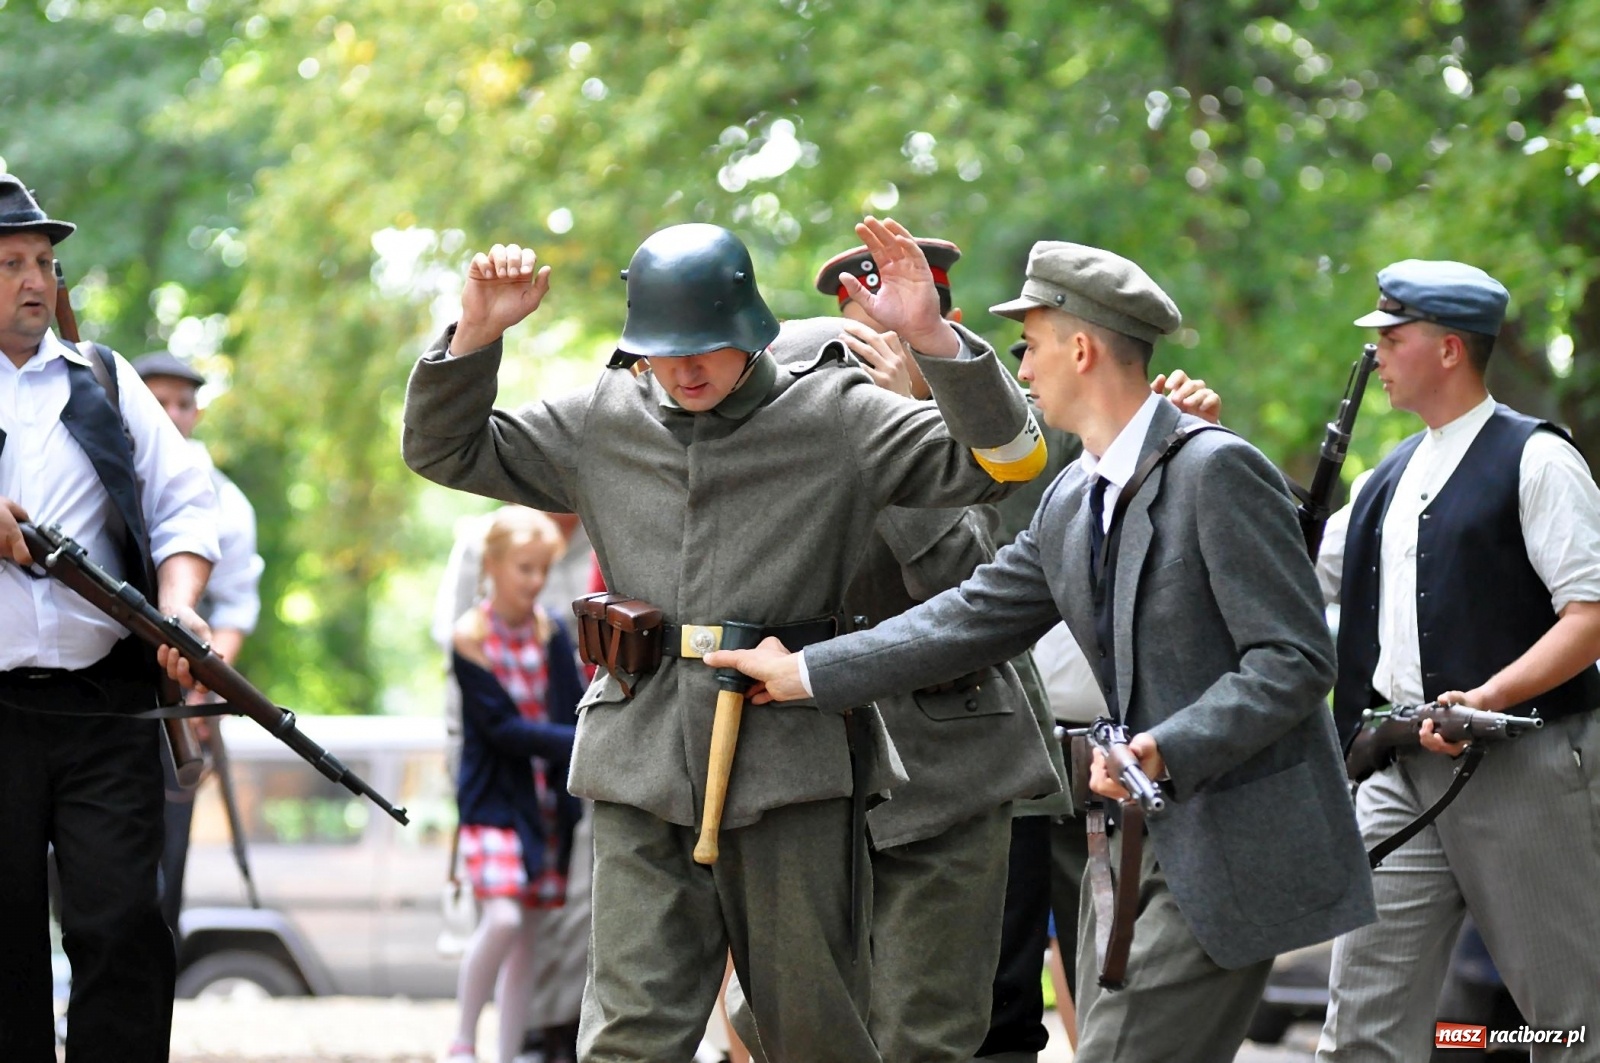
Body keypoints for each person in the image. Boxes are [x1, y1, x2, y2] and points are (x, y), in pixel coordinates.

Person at [706, 238, 1375, 1063]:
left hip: (1230, 843)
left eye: (1028, 345)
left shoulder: (1217, 469)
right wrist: (807, 672)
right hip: (1133, 846)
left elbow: (1295, 659)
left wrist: (1165, 747)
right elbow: (969, 616)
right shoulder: (1074, 495)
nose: (1019, 367)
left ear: (1081, 349)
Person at [402, 216, 1046, 1063]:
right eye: (665, 351)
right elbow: (441, 447)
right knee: (628, 1033)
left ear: (750, 328)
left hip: (789, 764)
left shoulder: (836, 415)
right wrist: (476, 334)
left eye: (705, 346)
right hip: (639, 755)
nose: (687, 368)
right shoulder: (602, 417)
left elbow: (1009, 457)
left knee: (808, 1030)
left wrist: (932, 339)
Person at [1313, 261, 1600, 1062]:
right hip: (1399, 770)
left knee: (1570, 1022)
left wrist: (1488, 695)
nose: (1376, 354)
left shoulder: (1539, 460)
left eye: (1392, 337)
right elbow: (1288, 571)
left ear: (1448, 349)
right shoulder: (1386, 477)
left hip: (1526, 767)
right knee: (1359, 1030)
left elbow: (1591, 616)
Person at [0, 174, 219, 1063]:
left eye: (44, 262)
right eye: (12, 263)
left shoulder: (104, 377)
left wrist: (179, 605)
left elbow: (184, 505)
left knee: (124, 923)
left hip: (105, 706)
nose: (35, 280)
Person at [444, 506, 584, 1063]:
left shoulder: (551, 631)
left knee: (528, 938)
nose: (535, 581)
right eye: (525, 568)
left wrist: (577, 740)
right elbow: (500, 728)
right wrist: (576, 743)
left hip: (545, 803)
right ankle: (462, 1039)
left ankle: (505, 1053)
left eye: (542, 570)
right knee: (501, 919)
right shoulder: (470, 636)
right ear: (494, 566)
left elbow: (573, 707)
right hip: (494, 804)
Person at [133, 349, 264, 938]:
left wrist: (200, 689)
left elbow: (235, 608)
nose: (171, 413)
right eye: (157, 401)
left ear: (197, 413)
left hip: (177, 699)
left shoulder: (227, 502)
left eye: (183, 403)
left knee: (166, 866)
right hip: (91, 691)